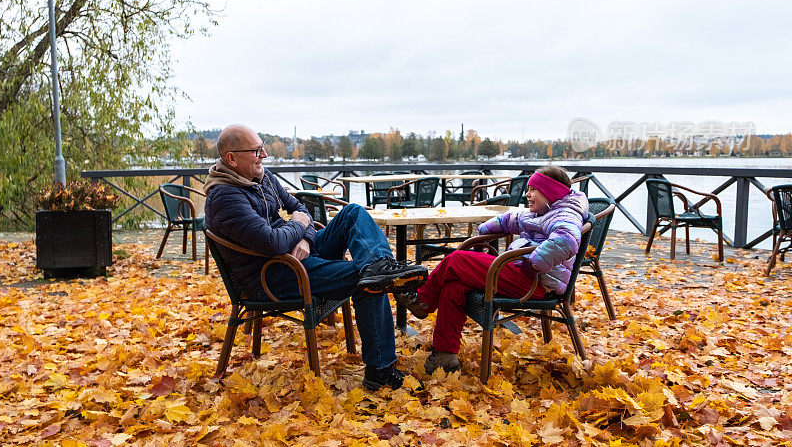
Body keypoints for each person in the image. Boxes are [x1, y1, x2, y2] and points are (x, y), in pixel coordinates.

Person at [203, 124, 428, 390]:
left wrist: (306, 238)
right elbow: (271, 241)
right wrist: (298, 227)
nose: (263, 154)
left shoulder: (262, 178)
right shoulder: (225, 197)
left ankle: (380, 266)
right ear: (231, 159)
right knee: (365, 279)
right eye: (256, 150)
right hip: (273, 276)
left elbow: (301, 209)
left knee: (353, 213)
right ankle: (380, 370)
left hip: (295, 256)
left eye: (262, 147)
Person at [398, 166, 589, 374]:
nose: (527, 194)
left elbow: (566, 242)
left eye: (533, 189)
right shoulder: (542, 212)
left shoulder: (566, 215)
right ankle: (445, 356)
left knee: (455, 260)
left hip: (533, 282)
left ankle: (423, 301)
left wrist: (531, 266)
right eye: (528, 189)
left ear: (550, 193)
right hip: (517, 273)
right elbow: (509, 219)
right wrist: (485, 232)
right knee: (454, 286)